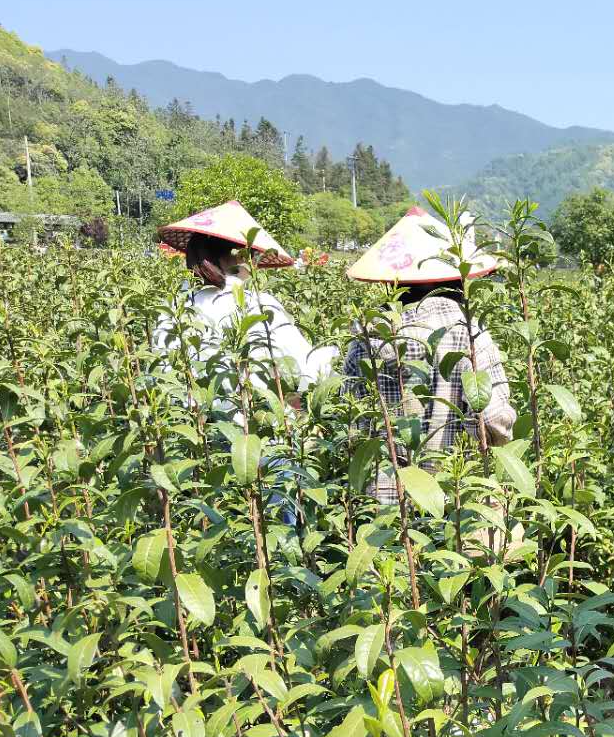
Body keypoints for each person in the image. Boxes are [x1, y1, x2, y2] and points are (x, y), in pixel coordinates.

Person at [342, 206, 518, 526]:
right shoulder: (469, 332)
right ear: (456, 276)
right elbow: (494, 420)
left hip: (384, 498)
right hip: (455, 493)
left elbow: (349, 415)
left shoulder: (366, 334)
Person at [153, 200, 333, 412]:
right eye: (253, 254)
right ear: (240, 256)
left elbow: (161, 375)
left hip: (194, 430)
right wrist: (332, 356)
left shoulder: (173, 307)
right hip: (255, 428)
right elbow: (307, 371)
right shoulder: (259, 304)